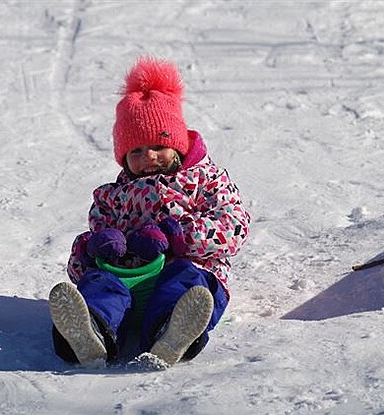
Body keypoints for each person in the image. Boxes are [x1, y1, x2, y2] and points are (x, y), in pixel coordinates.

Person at [48, 57, 250, 367]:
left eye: (158, 145)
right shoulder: (111, 196)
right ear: (123, 155)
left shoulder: (203, 178)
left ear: (178, 143)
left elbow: (234, 225)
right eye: (137, 151)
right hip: (129, 281)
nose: (149, 157)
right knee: (100, 283)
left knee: (187, 280)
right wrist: (91, 250)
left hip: (186, 266)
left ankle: (172, 330)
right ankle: (90, 330)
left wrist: (179, 236)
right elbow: (81, 265)